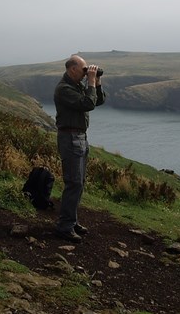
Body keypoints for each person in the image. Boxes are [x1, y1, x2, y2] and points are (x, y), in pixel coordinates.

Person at [54, 55, 106, 243]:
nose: (86, 73)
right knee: (73, 183)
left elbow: (97, 101)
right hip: (70, 138)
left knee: (80, 183)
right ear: (72, 69)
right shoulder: (64, 89)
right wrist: (91, 81)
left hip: (80, 137)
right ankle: (65, 226)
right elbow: (88, 104)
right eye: (84, 70)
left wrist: (97, 82)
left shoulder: (75, 86)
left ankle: (71, 221)